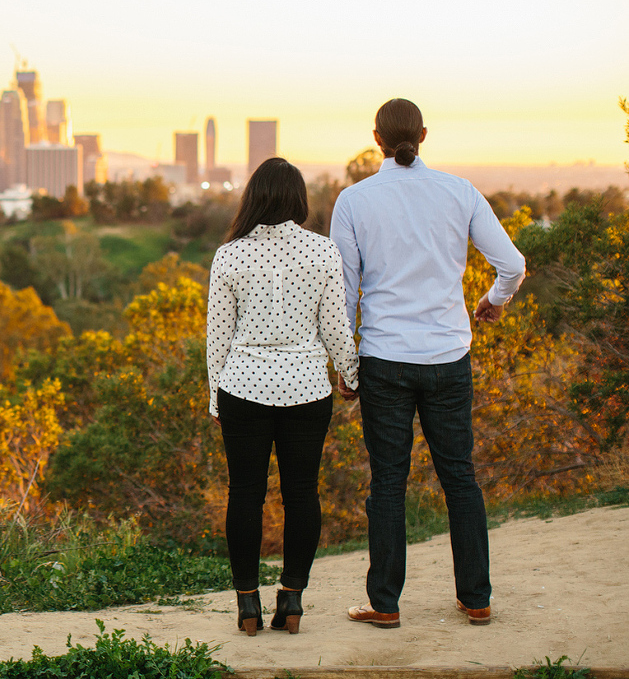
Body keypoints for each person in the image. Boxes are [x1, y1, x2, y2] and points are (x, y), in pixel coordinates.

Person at [330, 98, 525, 629]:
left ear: (377, 139)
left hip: (385, 360)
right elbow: (512, 264)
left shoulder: (353, 201)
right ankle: (477, 598)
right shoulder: (458, 192)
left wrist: (345, 366)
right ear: (422, 134)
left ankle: (385, 605)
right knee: (459, 475)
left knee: (388, 482)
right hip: (448, 357)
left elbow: (345, 294)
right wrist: (493, 301)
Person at [207, 157, 359, 637]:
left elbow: (219, 337)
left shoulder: (228, 256)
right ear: (298, 200)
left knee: (245, 494)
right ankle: (291, 599)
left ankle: (247, 604)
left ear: (253, 198)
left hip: (244, 387)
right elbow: (336, 326)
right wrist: (350, 375)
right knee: (302, 494)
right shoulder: (322, 252)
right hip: (306, 389)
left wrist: (216, 398)